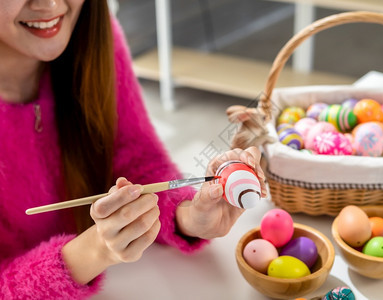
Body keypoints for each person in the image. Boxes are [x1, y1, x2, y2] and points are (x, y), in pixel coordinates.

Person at [0, 1, 267, 298]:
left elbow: (139, 162)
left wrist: (188, 216)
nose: (50, 4)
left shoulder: (93, 37)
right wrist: (93, 250)